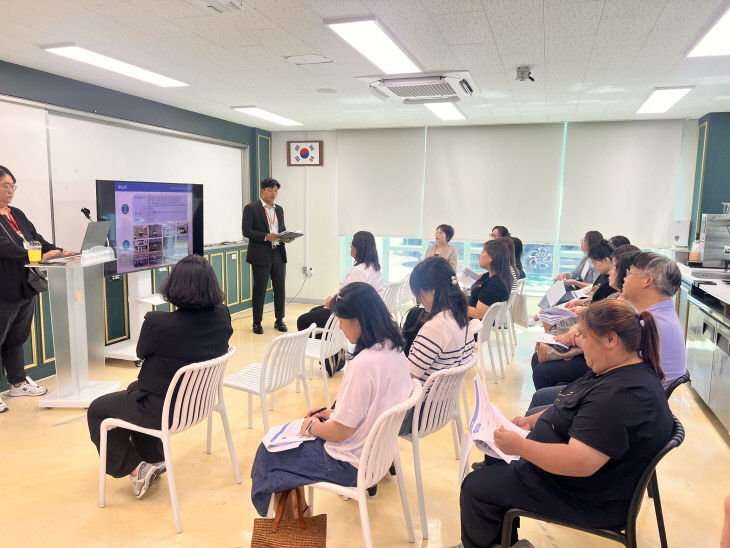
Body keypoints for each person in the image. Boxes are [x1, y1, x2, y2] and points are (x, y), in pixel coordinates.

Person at [458, 299, 673, 548]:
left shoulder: (619, 396)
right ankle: (501, 540)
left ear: (611, 340)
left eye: (584, 336)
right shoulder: (619, 369)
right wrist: (530, 421)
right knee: (495, 458)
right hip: (582, 479)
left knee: (476, 488)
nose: (578, 342)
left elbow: (579, 462)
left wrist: (521, 447)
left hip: (588, 496)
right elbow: (570, 403)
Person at [250, 282, 412, 516]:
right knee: (285, 449)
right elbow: (370, 408)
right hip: (377, 456)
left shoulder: (365, 363)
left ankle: (292, 529)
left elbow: (340, 433)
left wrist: (312, 427)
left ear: (357, 321)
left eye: (342, 321)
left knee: (269, 453)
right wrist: (333, 414)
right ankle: (299, 517)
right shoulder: (394, 348)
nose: (340, 327)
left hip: (350, 463)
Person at [87, 255, 233, 498]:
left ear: (174, 285)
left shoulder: (158, 322)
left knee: (99, 409)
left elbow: (142, 352)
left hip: (164, 410)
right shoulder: (221, 315)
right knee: (134, 390)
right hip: (198, 403)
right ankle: (154, 457)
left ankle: (135, 469)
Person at [529, 250, 685, 407]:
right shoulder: (657, 313)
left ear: (647, 281)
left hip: (626, 401)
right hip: (629, 391)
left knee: (541, 396)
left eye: (631, 272)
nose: (625, 277)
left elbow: (600, 358)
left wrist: (577, 337)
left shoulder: (651, 323)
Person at [0, 165, 75, 413]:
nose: (11, 191)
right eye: (6, 186)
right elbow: (7, 250)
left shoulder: (16, 213)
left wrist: (59, 251)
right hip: (3, 290)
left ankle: (18, 383)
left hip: (25, 286)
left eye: (13, 186)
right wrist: (40, 256)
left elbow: (36, 239)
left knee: (16, 338)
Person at [400, 257, 474, 435]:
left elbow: (406, 380)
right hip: (440, 409)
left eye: (419, 293)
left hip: (416, 415)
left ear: (432, 290)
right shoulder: (461, 318)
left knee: (355, 400)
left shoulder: (436, 328)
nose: (419, 299)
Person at [296, 230, 383, 332]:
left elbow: (344, 297)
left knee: (303, 320)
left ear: (358, 248)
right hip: (367, 311)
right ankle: (327, 342)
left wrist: (331, 302)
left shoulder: (359, 271)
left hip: (350, 314)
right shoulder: (374, 268)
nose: (350, 247)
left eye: (352, 244)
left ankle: (323, 344)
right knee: (314, 312)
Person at [242, 177, 291, 335]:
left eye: (276, 190)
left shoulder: (279, 209)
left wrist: (286, 237)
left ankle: (279, 320)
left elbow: (281, 228)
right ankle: (257, 322)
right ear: (262, 190)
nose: (274, 193)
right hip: (260, 254)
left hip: (278, 252)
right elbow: (247, 231)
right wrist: (265, 236)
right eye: (270, 190)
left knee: (280, 288)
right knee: (260, 289)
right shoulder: (251, 208)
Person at [468, 239, 512, 320]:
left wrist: (456, 306)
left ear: (492, 257)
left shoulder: (494, 285)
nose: (479, 255)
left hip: (473, 325)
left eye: (482, 252)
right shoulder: (489, 276)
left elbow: (478, 314)